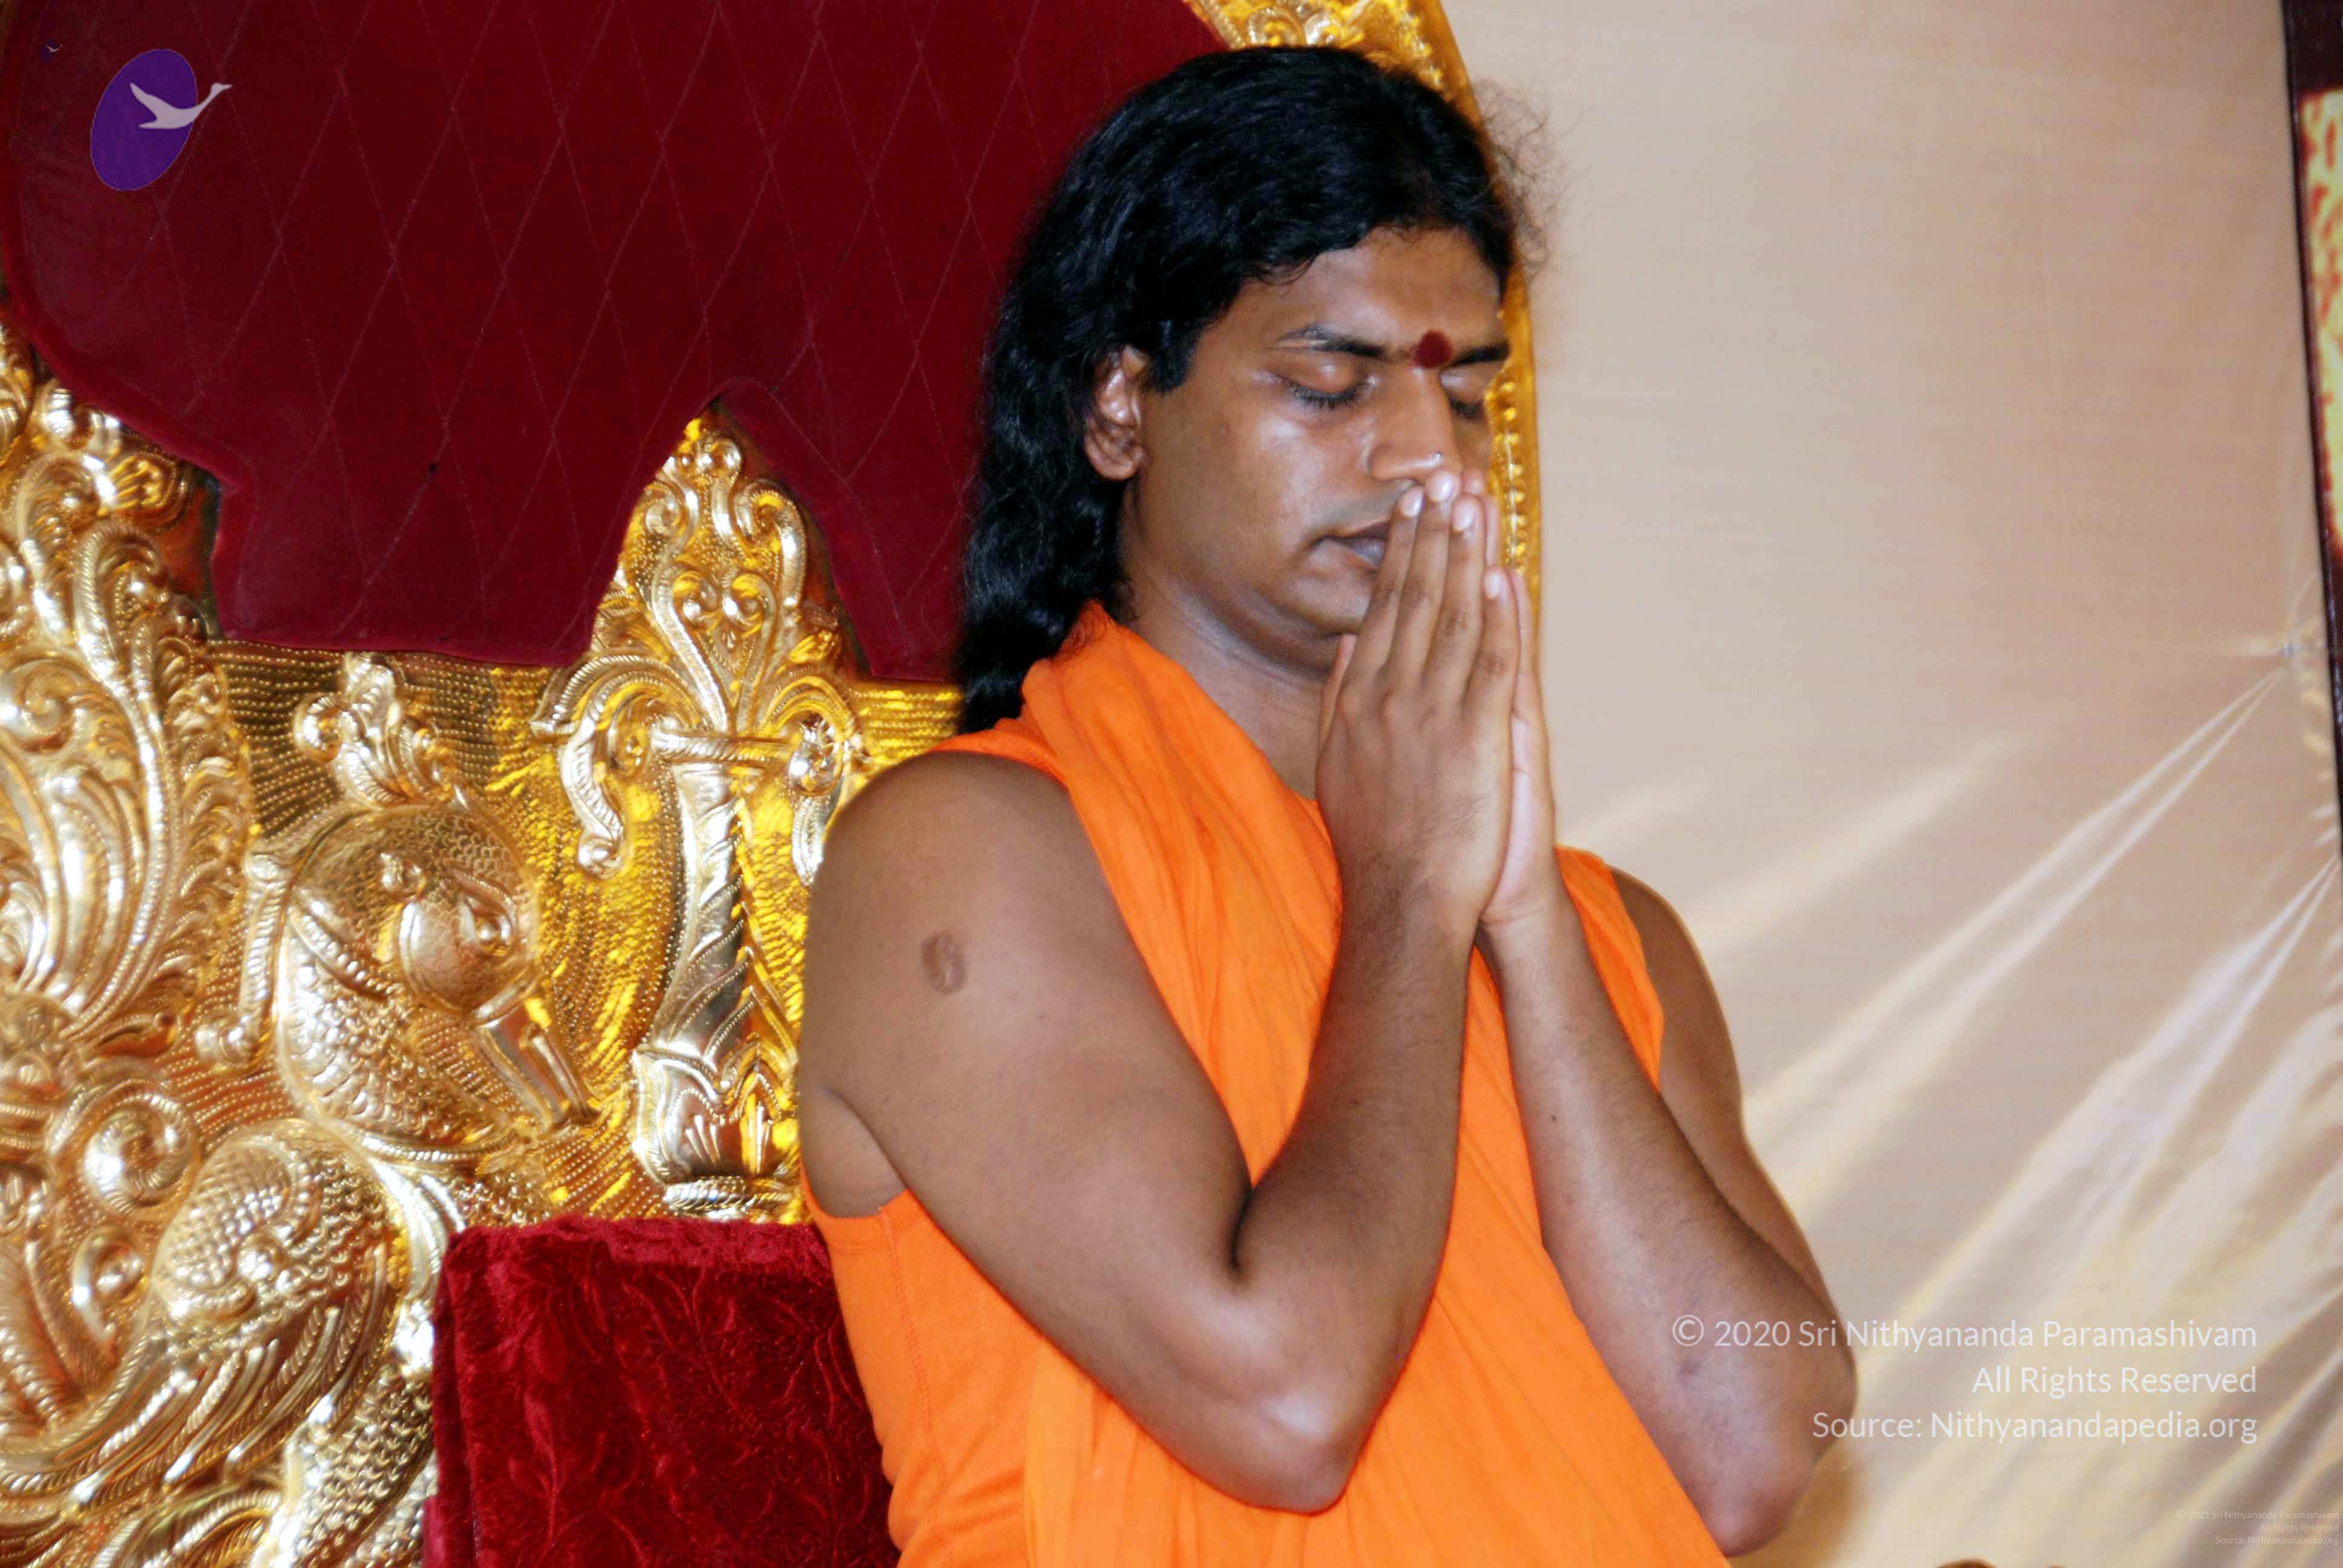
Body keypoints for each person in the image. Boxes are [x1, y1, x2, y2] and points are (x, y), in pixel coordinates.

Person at [796, 45, 1855, 1566]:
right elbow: (1282, 1405)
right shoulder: (960, 856)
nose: (1425, 459)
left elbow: (1750, 1460)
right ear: (1118, 404)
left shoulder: (1610, 934)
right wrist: (1411, 898)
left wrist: (1522, 918)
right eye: (1328, 384)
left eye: (1466, 395)